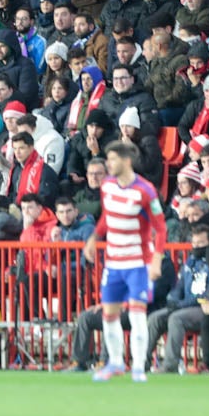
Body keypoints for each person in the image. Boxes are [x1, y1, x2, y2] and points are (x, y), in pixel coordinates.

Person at [83, 139, 164, 382]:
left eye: (113, 159)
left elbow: (160, 229)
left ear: (126, 161)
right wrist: (94, 237)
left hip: (138, 262)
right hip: (113, 261)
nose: (109, 164)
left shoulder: (146, 191)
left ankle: (138, 367)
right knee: (109, 314)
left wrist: (157, 260)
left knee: (138, 313)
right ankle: (115, 363)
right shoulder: (107, 186)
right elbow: (108, 215)